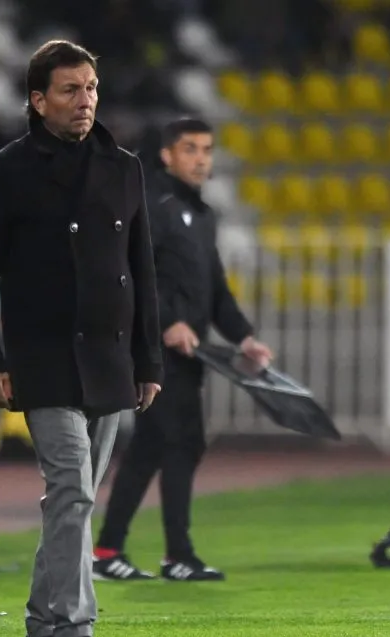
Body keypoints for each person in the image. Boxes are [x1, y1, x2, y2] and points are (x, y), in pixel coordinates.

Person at [0, 39, 163, 637]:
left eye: (92, 88)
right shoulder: (6, 171)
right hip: (41, 357)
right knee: (72, 487)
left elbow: (142, 271)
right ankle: (75, 629)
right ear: (37, 99)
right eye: (71, 90)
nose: (86, 100)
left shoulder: (124, 168)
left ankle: (42, 624)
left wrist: (148, 362)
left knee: (72, 498)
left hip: (109, 358)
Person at [92, 118, 274, 582]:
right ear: (168, 155)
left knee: (166, 447)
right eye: (190, 148)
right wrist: (166, 322)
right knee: (172, 442)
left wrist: (245, 336)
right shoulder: (152, 204)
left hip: (189, 356)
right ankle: (156, 553)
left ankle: (128, 550)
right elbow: (133, 272)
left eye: (207, 149)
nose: (201, 159)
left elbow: (215, 290)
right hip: (155, 352)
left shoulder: (202, 214)